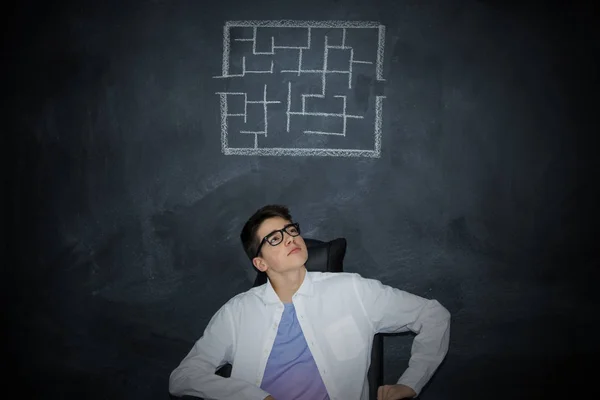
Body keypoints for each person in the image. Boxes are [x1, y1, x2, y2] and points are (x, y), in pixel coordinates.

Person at [169, 205, 450, 400]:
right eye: (274, 238)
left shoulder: (352, 290)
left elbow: (434, 316)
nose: (290, 238)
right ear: (260, 262)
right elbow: (183, 378)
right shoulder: (237, 313)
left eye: (291, 230)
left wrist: (410, 383)